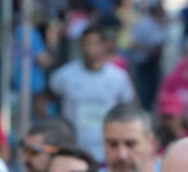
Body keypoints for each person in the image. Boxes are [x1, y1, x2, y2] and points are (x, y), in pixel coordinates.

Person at [50, 26, 138, 163]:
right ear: (81, 46)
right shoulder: (64, 76)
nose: (91, 49)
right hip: (75, 149)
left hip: (107, 151)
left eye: (96, 43)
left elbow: (128, 109)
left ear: (104, 46)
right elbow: (45, 101)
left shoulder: (119, 77)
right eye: (87, 43)